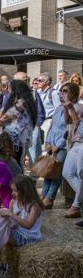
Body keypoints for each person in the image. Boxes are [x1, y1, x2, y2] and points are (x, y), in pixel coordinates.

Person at [0, 80, 37, 167]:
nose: (8, 90)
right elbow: (0, 116)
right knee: (15, 162)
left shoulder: (21, 103)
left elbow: (5, 118)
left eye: (10, 88)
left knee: (13, 164)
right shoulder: (23, 102)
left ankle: (16, 180)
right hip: (17, 140)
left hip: (15, 140)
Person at [61, 83, 83, 219]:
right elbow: (68, 121)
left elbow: (75, 122)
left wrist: (70, 108)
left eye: (65, 91)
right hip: (75, 142)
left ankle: (76, 206)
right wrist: (66, 107)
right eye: (61, 91)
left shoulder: (80, 107)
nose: (62, 93)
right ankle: (77, 204)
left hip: (81, 144)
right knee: (67, 173)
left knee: (79, 175)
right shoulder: (69, 106)